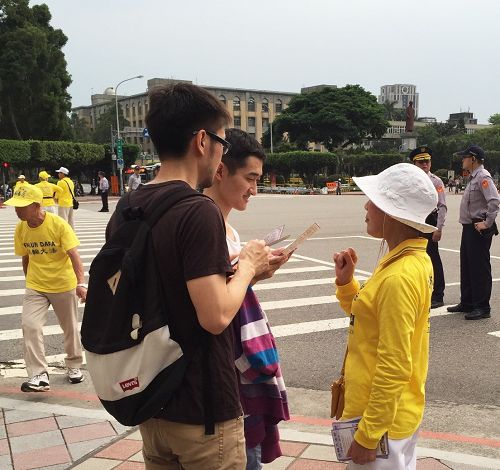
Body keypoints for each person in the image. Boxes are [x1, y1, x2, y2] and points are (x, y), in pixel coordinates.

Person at [106, 83, 270, 469]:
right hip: (202, 407)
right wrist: (248, 265)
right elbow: (214, 317)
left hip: (152, 396)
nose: (222, 155)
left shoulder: (130, 204)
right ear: (202, 141)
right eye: (223, 144)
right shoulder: (198, 211)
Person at [334, 163, 437, 469]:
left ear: (392, 213)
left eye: (374, 200)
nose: (366, 205)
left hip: (379, 422)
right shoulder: (411, 260)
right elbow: (368, 318)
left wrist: (367, 436)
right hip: (395, 414)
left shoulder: (398, 277)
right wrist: (346, 284)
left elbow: (394, 364)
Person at [204, 128, 290, 469]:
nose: (255, 189)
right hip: (226, 370)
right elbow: (215, 310)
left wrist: (256, 271)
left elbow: (232, 289)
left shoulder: (229, 229)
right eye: (250, 179)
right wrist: (248, 270)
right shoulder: (204, 228)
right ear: (221, 170)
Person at [4, 184, 86, 392]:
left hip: (63, 283)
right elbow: (25, 257)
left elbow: (74, 255)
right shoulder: (21, 229)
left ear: (36, 205)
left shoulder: (58, 224)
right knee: (29, 325)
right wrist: (29, 281)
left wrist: (80, 283)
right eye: (15, 206)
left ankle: (74, 365)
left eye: (21, 206)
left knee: (69, 328)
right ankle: (39, 374)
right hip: (36, 285)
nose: (17, 210)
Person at [447, 145, 500, 320]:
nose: (462, 160)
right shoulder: (474, 177)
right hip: (469, 227)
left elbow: (494, 201)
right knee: (468, 265)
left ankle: (482, 307)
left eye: (465, 157)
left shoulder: (483, 177)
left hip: (478, 227)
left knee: (479, 268)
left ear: (473, 159)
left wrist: (487, 223)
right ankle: (468, 302)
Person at [409, 146, 447, 308]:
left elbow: (442, 206)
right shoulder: (409, 181)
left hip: (429, 221)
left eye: (427, 161)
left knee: (432, 258)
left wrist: (438, 228)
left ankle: (438, 295)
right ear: (414, 163)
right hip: (413, 221)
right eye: (421, 162)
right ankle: (419, 292)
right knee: (413, 258)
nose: (425, 164)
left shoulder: (436, 181)